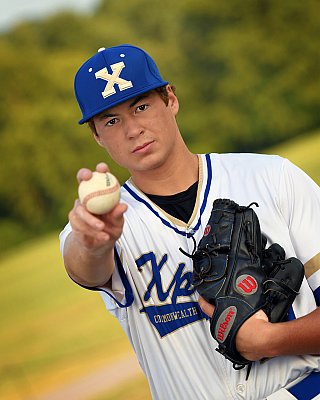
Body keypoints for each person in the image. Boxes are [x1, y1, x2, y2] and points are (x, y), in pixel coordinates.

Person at [59, 44, 320, 400]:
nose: (132, 129)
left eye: (141, 106)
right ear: (96, 135)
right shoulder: (102, 225)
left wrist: (270, 340)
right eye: (112, 120)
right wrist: (92, 242)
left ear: (170, 99)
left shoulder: (273, 178)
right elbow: (84, 266)